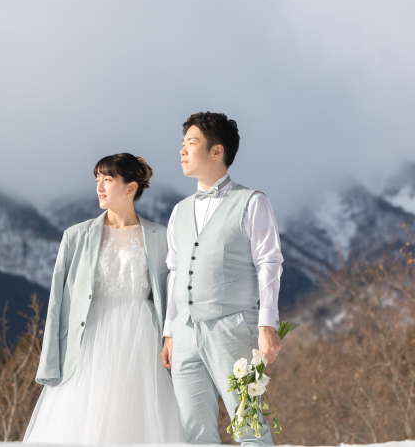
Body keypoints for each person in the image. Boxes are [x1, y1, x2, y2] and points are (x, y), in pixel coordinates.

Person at [23, 153, 185, 444]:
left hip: (142, 338)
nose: (99, 186)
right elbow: (57, 303)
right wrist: (50, 359)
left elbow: (175, 295)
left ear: (130, 187)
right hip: (90, 337)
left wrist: (173, 339)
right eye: (97, 179)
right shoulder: (76, 236)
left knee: (138, 414)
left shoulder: (161, 237)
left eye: (108, 180)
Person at [160, 112, 284, 445]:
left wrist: (266, 325)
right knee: (194, 431)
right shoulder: (180, 210)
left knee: (249, 425)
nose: (183, 151)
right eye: (182, 144)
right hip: (185, 332)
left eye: (191, 143)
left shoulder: (252, 202)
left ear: (217, 151)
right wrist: (170, 331)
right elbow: (174, 271)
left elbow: (269, 263)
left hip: (232, 326)